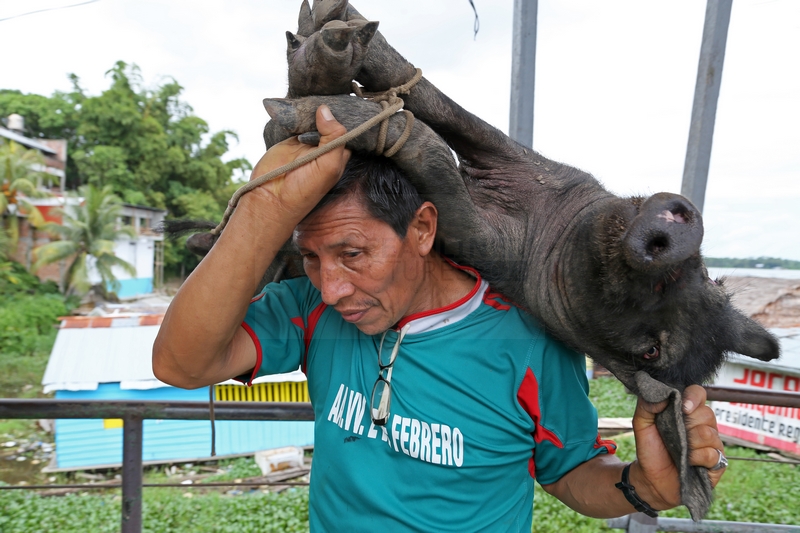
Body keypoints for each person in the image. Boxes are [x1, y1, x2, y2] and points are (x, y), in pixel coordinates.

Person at [152, 105, 727, 532]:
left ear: (422, 229)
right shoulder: (310, 310)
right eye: (311, 258)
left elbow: (568, 471)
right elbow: (181, 363)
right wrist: (267, 204)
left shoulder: (524, 340)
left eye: (353, 254)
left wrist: (643, 486)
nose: (331, 288)